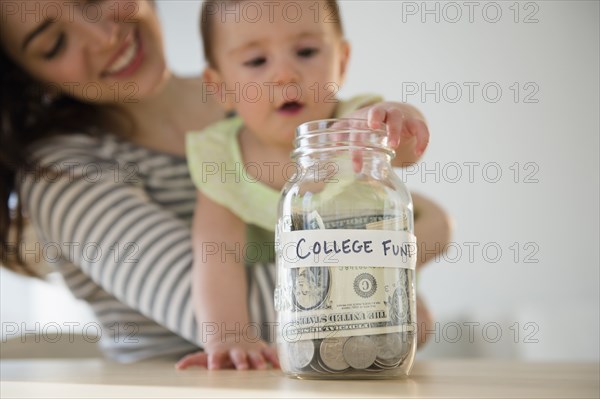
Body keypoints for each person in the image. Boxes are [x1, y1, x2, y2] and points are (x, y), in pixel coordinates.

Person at [0, 0, 448, 364]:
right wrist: (397, 270)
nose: (103, 36)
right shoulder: (63, 174)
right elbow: (247, 317)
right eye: (55, 43)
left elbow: (401, 190)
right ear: (24, 76)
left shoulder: (296, 110)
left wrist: (404, 139)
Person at [177, 0, 444, 371]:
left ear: (343, 61)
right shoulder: (221, 158)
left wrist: (396, 120)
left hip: (368, 293)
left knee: (419, 322)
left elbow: (409, 151)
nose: (285, 74)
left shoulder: (357, 125)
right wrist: (229, 335)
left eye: (306, 52)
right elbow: (215, 255)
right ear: (219, 86)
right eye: (257, 61)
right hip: (291, 310)